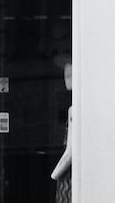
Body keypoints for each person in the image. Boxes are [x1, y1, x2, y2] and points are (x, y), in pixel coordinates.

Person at [50, 54, 73, 203]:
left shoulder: (75, 110)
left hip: (69, 172)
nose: (67, 78)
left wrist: (54, 175)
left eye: (70, 73)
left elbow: (70, 152)